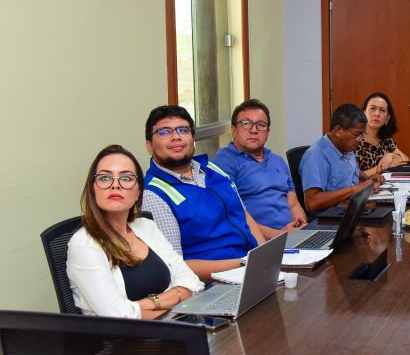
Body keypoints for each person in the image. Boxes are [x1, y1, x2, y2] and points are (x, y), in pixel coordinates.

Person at [67, 145, 204, 319]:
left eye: (126, 178)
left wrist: (148, 304)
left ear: (138, 191)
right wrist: (175, 298)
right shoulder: (84, 244)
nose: (115, 185)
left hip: (174, 326)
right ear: (93, 188)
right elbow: (119, 317)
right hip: (123, 342)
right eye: (104, 178)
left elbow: (192, 282)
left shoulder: (146, 226)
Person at [141, 105, 266, 281]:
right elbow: (175, 265)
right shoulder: (153, 194)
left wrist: (265, 255)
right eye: (164, 132)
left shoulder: (213, 169)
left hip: (252, 269)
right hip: (214, 283)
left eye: (183, 130)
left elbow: (244, 215)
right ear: (150, 146)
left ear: (192, 139)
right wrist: (245, 264)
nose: (176, 137)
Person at [214, 99, 307, 237]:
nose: (254, 130)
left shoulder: (277, 160)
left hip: (291, 238)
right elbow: (231, 217)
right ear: (233, 130)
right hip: (259, 243)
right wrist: (281, 235)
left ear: (267, 133)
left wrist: (302, 229)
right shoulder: (224, 163)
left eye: (261, 125)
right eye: (245, 124)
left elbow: (293, 204)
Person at [300, 103, 384, 214]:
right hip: (330, 220)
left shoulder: (346, 147)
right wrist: (354, 189)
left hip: (351, 209)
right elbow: (312, 202)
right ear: (338, 130)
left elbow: (352, 171)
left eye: (362, 135)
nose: (360, 140)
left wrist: (369, 179)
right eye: (357, 134)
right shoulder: (315, 156)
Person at [355, 92, 410, 176]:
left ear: (387, 118)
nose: (377, 114)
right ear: (364, 113)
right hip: (361, 187)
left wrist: (390, 155)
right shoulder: (354, 138)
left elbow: (405, 160)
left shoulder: (385, 138)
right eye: (372, 108)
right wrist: (382, 168)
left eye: (382, 110)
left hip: (384, 186)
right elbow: (353, 178)